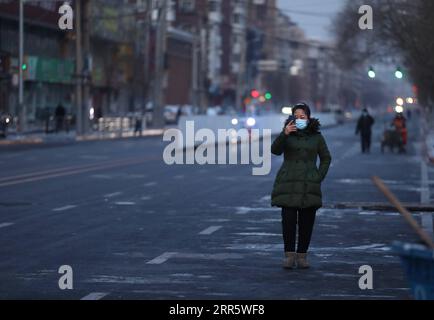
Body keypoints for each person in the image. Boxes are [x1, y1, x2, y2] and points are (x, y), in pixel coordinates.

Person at [271, 103, 332, 269]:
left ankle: (302, 256)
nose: (299, 120)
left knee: (307, 223)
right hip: (288, 184)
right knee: (288, 222)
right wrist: (284, 134)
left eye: (302, 117)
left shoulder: (317, 137)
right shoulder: (287, 134)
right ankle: (289, 256)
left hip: (308, 185)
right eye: (296, 117)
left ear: (309, 118)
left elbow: (326, 158)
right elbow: (275, 150)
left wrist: (318, 176)